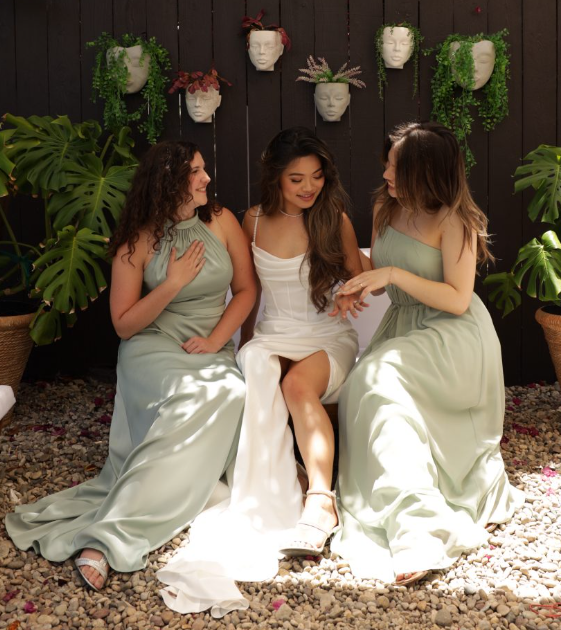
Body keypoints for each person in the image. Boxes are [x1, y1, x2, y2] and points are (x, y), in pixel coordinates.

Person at [5, 140, 256, 591]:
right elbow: (123, 324)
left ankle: (146, 503)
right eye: (195, 173)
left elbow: (246, 291)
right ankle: (109, 537)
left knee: (229, 390)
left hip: (206, 344)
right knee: (188, 398)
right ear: (168, 185)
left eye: (203, 169)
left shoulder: (221, 221)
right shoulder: (137, 239)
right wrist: (173, 283)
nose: (206, 179)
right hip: (151, 346)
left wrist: (218, 341)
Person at [157, 126, 362, 615]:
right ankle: (271, 482)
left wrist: (353, 291)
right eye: (296, 180)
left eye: (315, 177)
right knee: (255, 363)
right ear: (275, 179)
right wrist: (241, 345)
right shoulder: (249, 222)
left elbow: (359, 276)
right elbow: (250, 294)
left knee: (295, 384)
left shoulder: (334, 218)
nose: (308, 188)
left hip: (326, 337)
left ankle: (319, 499)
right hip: (273, 333)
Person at [332, 121, 524, 586]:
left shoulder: (454, 220)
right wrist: (356, 286)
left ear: (425, 171)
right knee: (369, 390)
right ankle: (408, 505)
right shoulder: (384, 206)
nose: (387, 173)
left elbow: (457, 298)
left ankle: (418, 529)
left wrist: (392, 275)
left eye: (396, 167)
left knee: (376, 381)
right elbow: (382, 272)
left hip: (453, 335)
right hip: (403, 327)